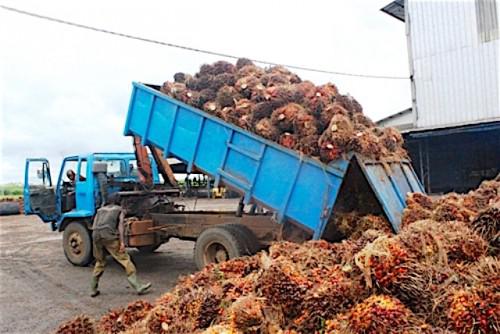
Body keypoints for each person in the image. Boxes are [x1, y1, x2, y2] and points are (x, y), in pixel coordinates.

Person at [90, 193, 151, 297]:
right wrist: (122, 242)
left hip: (95, 236)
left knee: (100, 261)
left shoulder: (100, 210)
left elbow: (94, 225)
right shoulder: (119, 210)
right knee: (125, 259)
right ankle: (138, 286)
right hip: (109, 236)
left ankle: (93, 289)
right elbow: (120, 227)